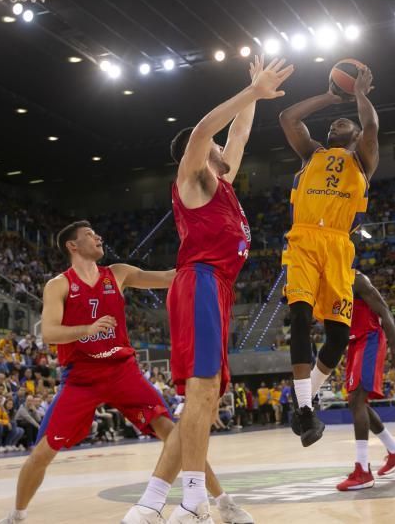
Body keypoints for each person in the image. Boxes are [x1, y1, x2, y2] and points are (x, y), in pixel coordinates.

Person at [125, 56, 292, 524]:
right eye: (216, 147)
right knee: (200, 394)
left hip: (214, 290)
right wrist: (250, 93)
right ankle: (194, 501)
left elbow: (236, 135)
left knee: (206, 398)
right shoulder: (193, 180)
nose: (223, 148)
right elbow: (202, 132)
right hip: (198, 281)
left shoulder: (223, 185)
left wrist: (253, 94)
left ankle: (152, 503)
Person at [0, 221, 251, 524]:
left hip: (122, 371)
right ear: (73, 246)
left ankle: (222, 502)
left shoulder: (117, 273)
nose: (98, 237)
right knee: (43, 452)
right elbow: (50, 333)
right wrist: (87, 329)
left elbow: (172, 277)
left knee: (177, 433)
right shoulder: (59, 285)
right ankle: (16, 516)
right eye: (90, 235)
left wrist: (206, 256)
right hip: (81, 377)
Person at [278, 64, 378, 446]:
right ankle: (305, 410)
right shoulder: (311, 154)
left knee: (338, 335)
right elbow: (287, 117)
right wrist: (330, 97)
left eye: (344, 121)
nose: (337, 122)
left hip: (338, 245)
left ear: (354, 135)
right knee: (300, 315)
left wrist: (359, 97)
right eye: (333, 122)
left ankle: (305, 398)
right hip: (303, 240)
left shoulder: (362, 160)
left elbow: (371, 128)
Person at [337, 272, 395, 490]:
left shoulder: (356, 279)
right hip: (353, 343)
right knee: (356, 402)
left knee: (356, 400)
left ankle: (363, 471)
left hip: (369, 338)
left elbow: (385, 312)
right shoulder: (329, 282)